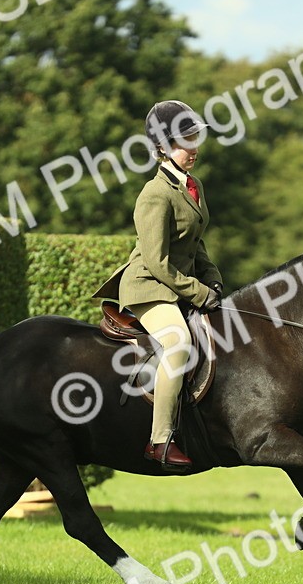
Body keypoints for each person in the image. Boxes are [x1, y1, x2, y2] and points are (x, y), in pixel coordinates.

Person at [92, 100, 222, 468]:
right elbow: (157, 262)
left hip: (176, 284)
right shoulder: (154, 194)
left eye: (195, 139)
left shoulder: (193, 185)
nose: (193, 148)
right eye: (185, 141)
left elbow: (195, 243)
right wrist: (199, 292)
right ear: (163, 147)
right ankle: (160, 440)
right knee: (178, 344)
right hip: (149, 287)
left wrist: (213, 277)